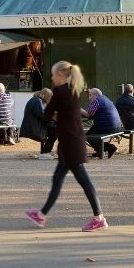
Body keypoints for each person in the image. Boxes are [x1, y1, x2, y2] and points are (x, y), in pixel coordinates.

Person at [25, 61, 108, 232]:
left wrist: (54, 113)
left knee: (83, 181)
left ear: (61, 75)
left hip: (70, 143)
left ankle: (99, 217)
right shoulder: (73, 90)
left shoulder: (60, 91)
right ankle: (41, 215)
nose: (52, 78)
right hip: (70, 141)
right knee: (58, 179)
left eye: (54, 75)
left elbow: (47, 114)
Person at [81, 88, 123, 158]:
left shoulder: (96, 101)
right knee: (92, 131)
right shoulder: (105, 99)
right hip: (117, 126)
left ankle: (109, 148)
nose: (89, 97)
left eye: (90, 95)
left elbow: (88, 114)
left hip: (106, 126)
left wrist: (78, 109)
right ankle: (100, 150)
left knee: (87, 136)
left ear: (96, 95)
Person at [20, 89, 56, 159]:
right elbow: (42, 116)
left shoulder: (35, 100)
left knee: (55, 128)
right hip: (34, 128)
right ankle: (45, 152)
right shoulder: (37, 101)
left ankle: (45, 151)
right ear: (46, 96)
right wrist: (53, 120)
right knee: (55, 131)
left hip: (33, 126)